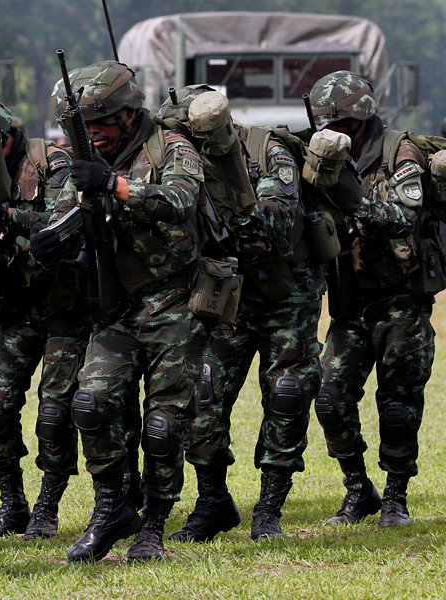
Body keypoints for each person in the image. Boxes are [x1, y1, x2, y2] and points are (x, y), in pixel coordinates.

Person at [38, 61, 208, 562]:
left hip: (173, 300)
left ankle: (153, 521)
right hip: (115, 306)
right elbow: (62, 212)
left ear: (128, 115)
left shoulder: (170, 147)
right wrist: (48, 238)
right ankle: (111, 506)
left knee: (163, 424)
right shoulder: (85, 158)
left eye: (101, 124)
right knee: (90, 402)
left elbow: (181, 198)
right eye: (85, 127)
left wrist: (115, 184)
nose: (94, 134)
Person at [167, 90, 325, 542]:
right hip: (225, 292)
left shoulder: (267, 151)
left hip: (285, 292)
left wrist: (229, 205)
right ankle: (213, 502)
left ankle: (269, 508)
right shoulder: (180, 161)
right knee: (203, 392)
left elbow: (277, 223)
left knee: (287, 393)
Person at [306, 70, 435, 527]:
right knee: (329, 398)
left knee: (398, 405)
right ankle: (359, 489)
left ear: (359, 119)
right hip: (349, 302)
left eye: (335, 124)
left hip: (400, 302)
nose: (328, 133)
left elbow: (404, 216)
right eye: (322, 125)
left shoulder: (401, 152)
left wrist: (352, 197)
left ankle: (396, 497)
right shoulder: (323, 155)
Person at [0, 95, 91, 540]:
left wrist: (9, 217)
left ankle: (47, 507)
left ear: (5, 138)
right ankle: (13, 504)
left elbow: (61, 222)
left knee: (55, 413)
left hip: (64, 305)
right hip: (17, 308)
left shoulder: (51, 161)